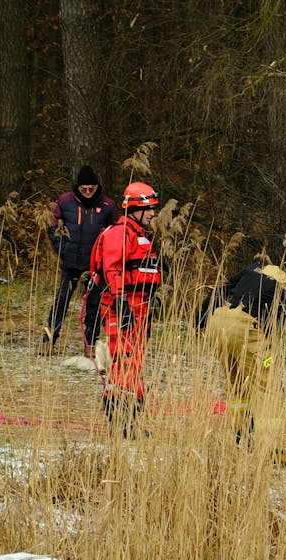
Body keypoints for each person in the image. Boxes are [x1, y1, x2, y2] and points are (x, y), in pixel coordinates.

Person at [204, 246, 286, 455]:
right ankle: (270, 447)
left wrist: (199, 321)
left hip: (217, 324)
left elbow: (221, 289)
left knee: (237, 383)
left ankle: (241, 436)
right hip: (246, 331)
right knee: (269, 388)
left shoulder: (258, 269)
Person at [89, 181, 162, 436]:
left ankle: (130, 421)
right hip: (123, 309)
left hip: (139, 308)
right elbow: (112, 268)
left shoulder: (138, 234)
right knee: (124, 362)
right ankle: (122, 422)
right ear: (135, 209)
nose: (153, 213)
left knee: (133, 364)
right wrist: (121, 303)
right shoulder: (120, 234)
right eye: (149, 208)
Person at [40, 165, 118, 356]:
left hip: (95, 267)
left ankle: (90, 345)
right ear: (77, 188)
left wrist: (105, 257)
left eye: (92, 189)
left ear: (97, 187)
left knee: (94, 306)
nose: (88, 192)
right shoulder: (65, 201)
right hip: (71, 263)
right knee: (61, 303)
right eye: (84, 189)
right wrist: (62, 248)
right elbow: (52, 225)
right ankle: (48, 341)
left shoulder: (108, 206)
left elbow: (115, 233)